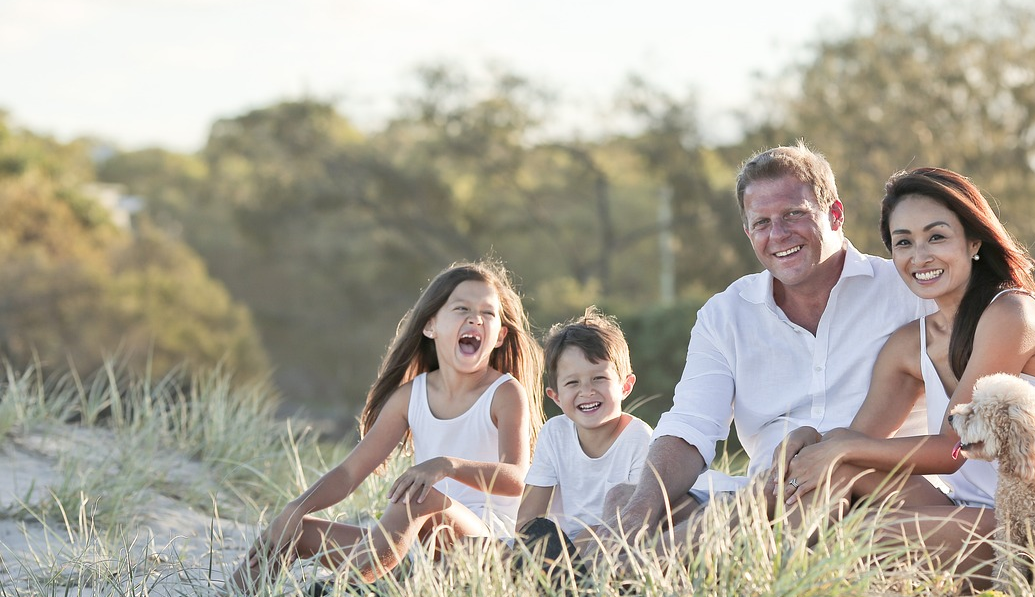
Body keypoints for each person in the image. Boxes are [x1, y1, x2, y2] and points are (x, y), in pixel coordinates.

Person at [779, 167, 1035, 574]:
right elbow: (860, 441)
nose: (920, 256)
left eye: (936, 236)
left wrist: (841, 447)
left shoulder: (1011, 315)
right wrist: (818, 444)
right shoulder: (909, 345)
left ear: (973, 241)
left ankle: (790, 566)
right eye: (904, 242)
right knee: (840, 470)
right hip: (968, 508)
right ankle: (766, 561)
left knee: (859, 535)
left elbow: (953, 449)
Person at [604, 142, 936, 545]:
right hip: (763, 496)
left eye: (794, 214)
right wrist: (641, 512)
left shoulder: (909, 293)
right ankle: (612, 565)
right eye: (761, 223)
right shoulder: (725, 315)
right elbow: (690, 425)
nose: (778, 235)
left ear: (835, 214)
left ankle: (643, 565)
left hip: (870, 489)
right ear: (748, 233)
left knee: (791, 501)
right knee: (628, 499)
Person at [228, 260, 544, 592]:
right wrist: (295, 509)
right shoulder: (410, 396)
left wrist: (446, 466)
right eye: (461, 307)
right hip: (412, 553)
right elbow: (349, 474)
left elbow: (516, 478)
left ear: (499, 336)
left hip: (485, 547)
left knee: (417, 497)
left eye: (488, 313)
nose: (475, 318)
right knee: (292, 530)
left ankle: (340, 589)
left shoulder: (504, 392)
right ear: (430, 325)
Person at [515, 307, 652, 548]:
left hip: (613, 547)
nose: (586, 391)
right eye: (572, 382)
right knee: (479, 547)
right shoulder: (555, 433)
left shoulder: (639, 438)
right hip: (560, 547)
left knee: (598, 535)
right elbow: (527, 520)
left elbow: (635, 522)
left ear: (625, 386)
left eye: (599, 378)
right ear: (556, 396)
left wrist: (580, 544)